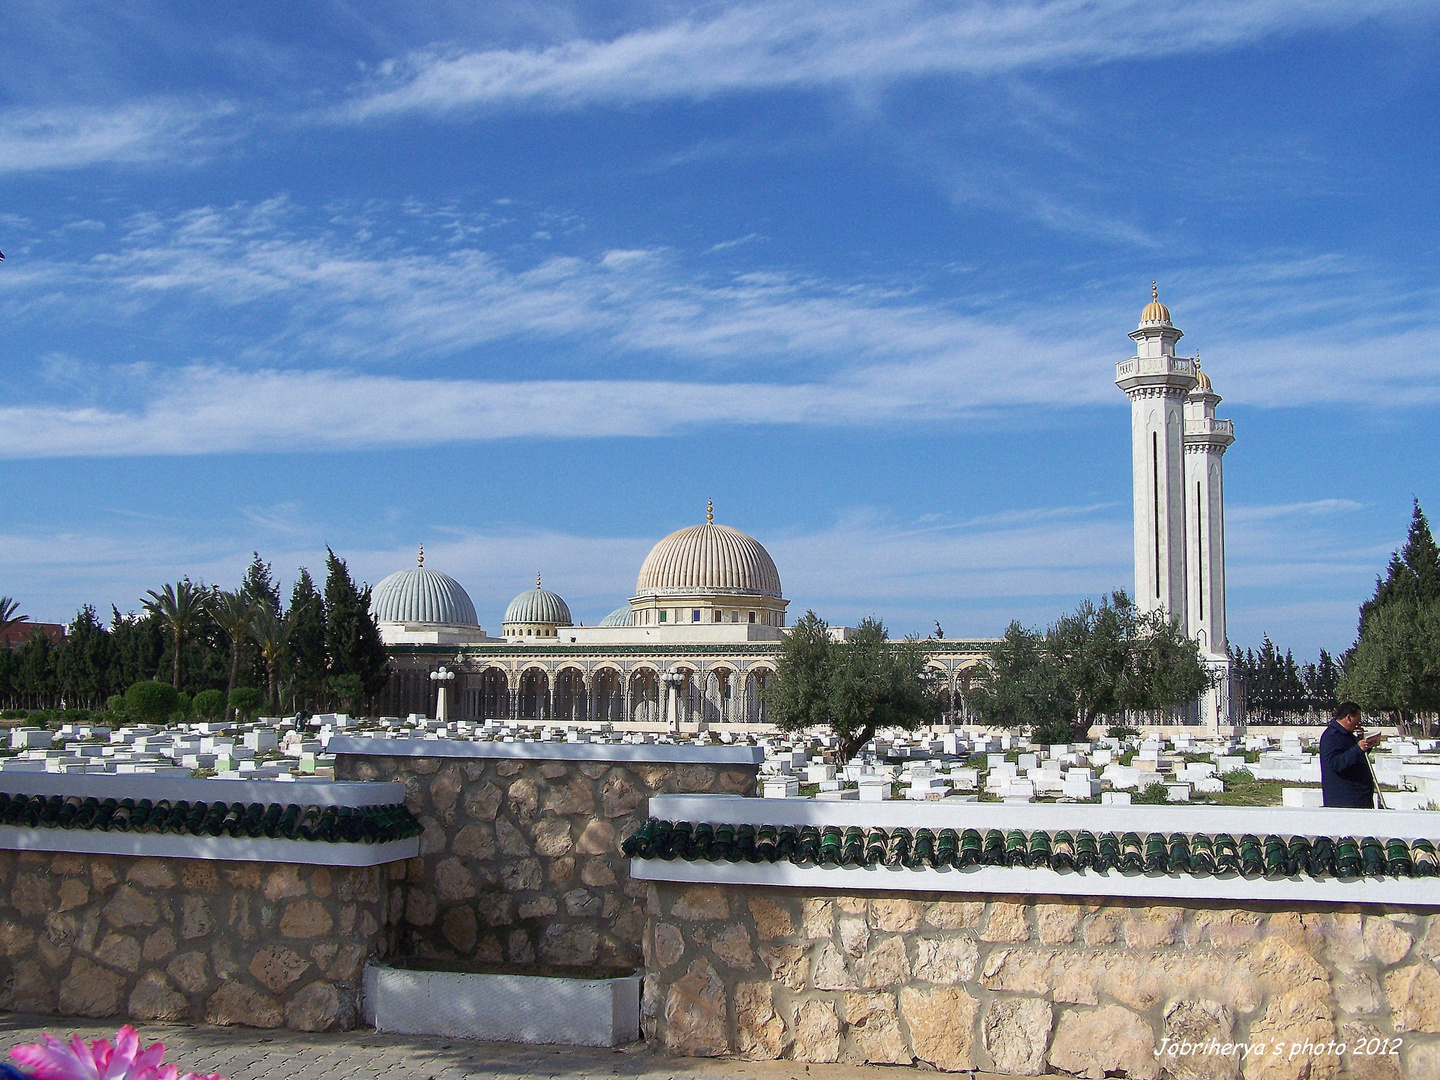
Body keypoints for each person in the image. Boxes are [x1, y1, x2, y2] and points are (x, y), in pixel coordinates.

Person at [1319, 702, 1384, 808]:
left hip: (1360, 797)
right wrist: (1357, 748)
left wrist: (1365, 743)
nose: (1359, 722)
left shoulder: (1348, 735)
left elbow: (1354, 757)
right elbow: (1336, 763)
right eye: (1357, 719)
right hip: (1345, 800)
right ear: (1349, 717)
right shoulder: (1331, 736)